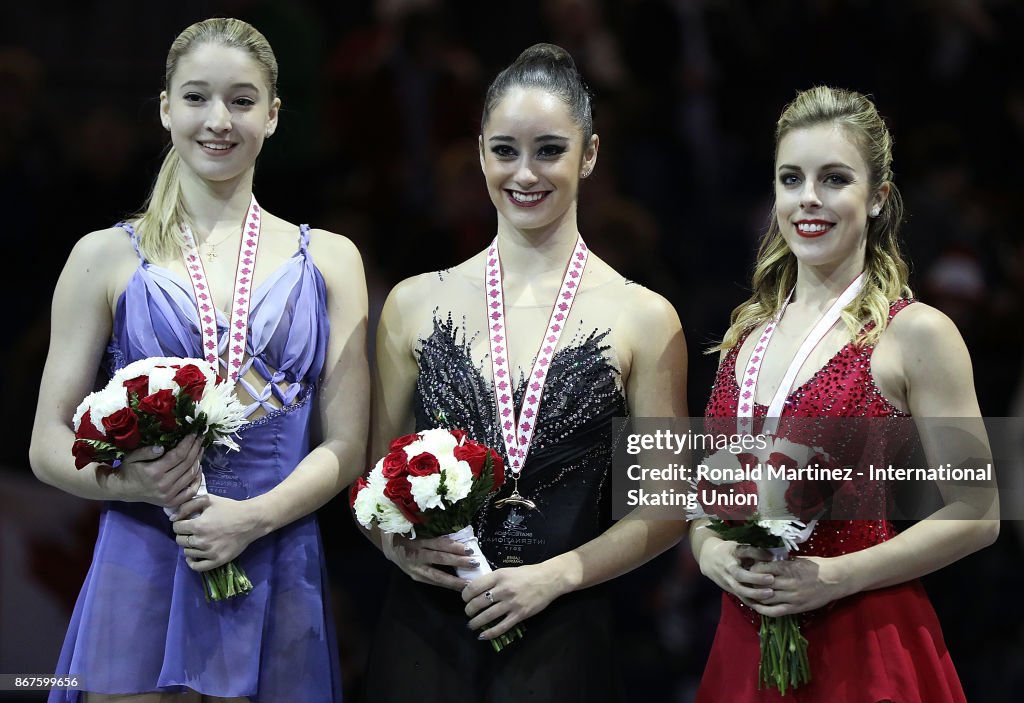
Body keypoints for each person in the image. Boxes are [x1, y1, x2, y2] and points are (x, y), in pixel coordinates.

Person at [29, 18, 369, 703]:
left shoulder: (333, 259)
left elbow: (347, 443)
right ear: (164, 107)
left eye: (242, 101)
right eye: (196, 97)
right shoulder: (103, 255)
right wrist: (137, 486)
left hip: (276, 555)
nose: (219, 120)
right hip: (141, 557)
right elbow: (45, 442)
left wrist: (254, 517)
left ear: (273, 116)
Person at [356, 43, 688, 702]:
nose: (525, 173)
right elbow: (371, 482)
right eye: (505, 150)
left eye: (549, 150)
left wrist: (556, 575)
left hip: (562, 633)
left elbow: (667, 504)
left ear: (589, 155)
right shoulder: (413, 303)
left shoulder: (645, 317)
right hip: (423, 634)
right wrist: (396, 545)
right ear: (479, 152)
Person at [692, 86, 999, 702]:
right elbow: (704, 498)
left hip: (863, 647)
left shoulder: (916, 333)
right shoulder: (744, 335)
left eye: (834, 178)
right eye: (791, 178)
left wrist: (836, 576)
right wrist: (709, 553)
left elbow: (978, 513)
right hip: (743, 648)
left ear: (878, 197)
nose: (808, 198)